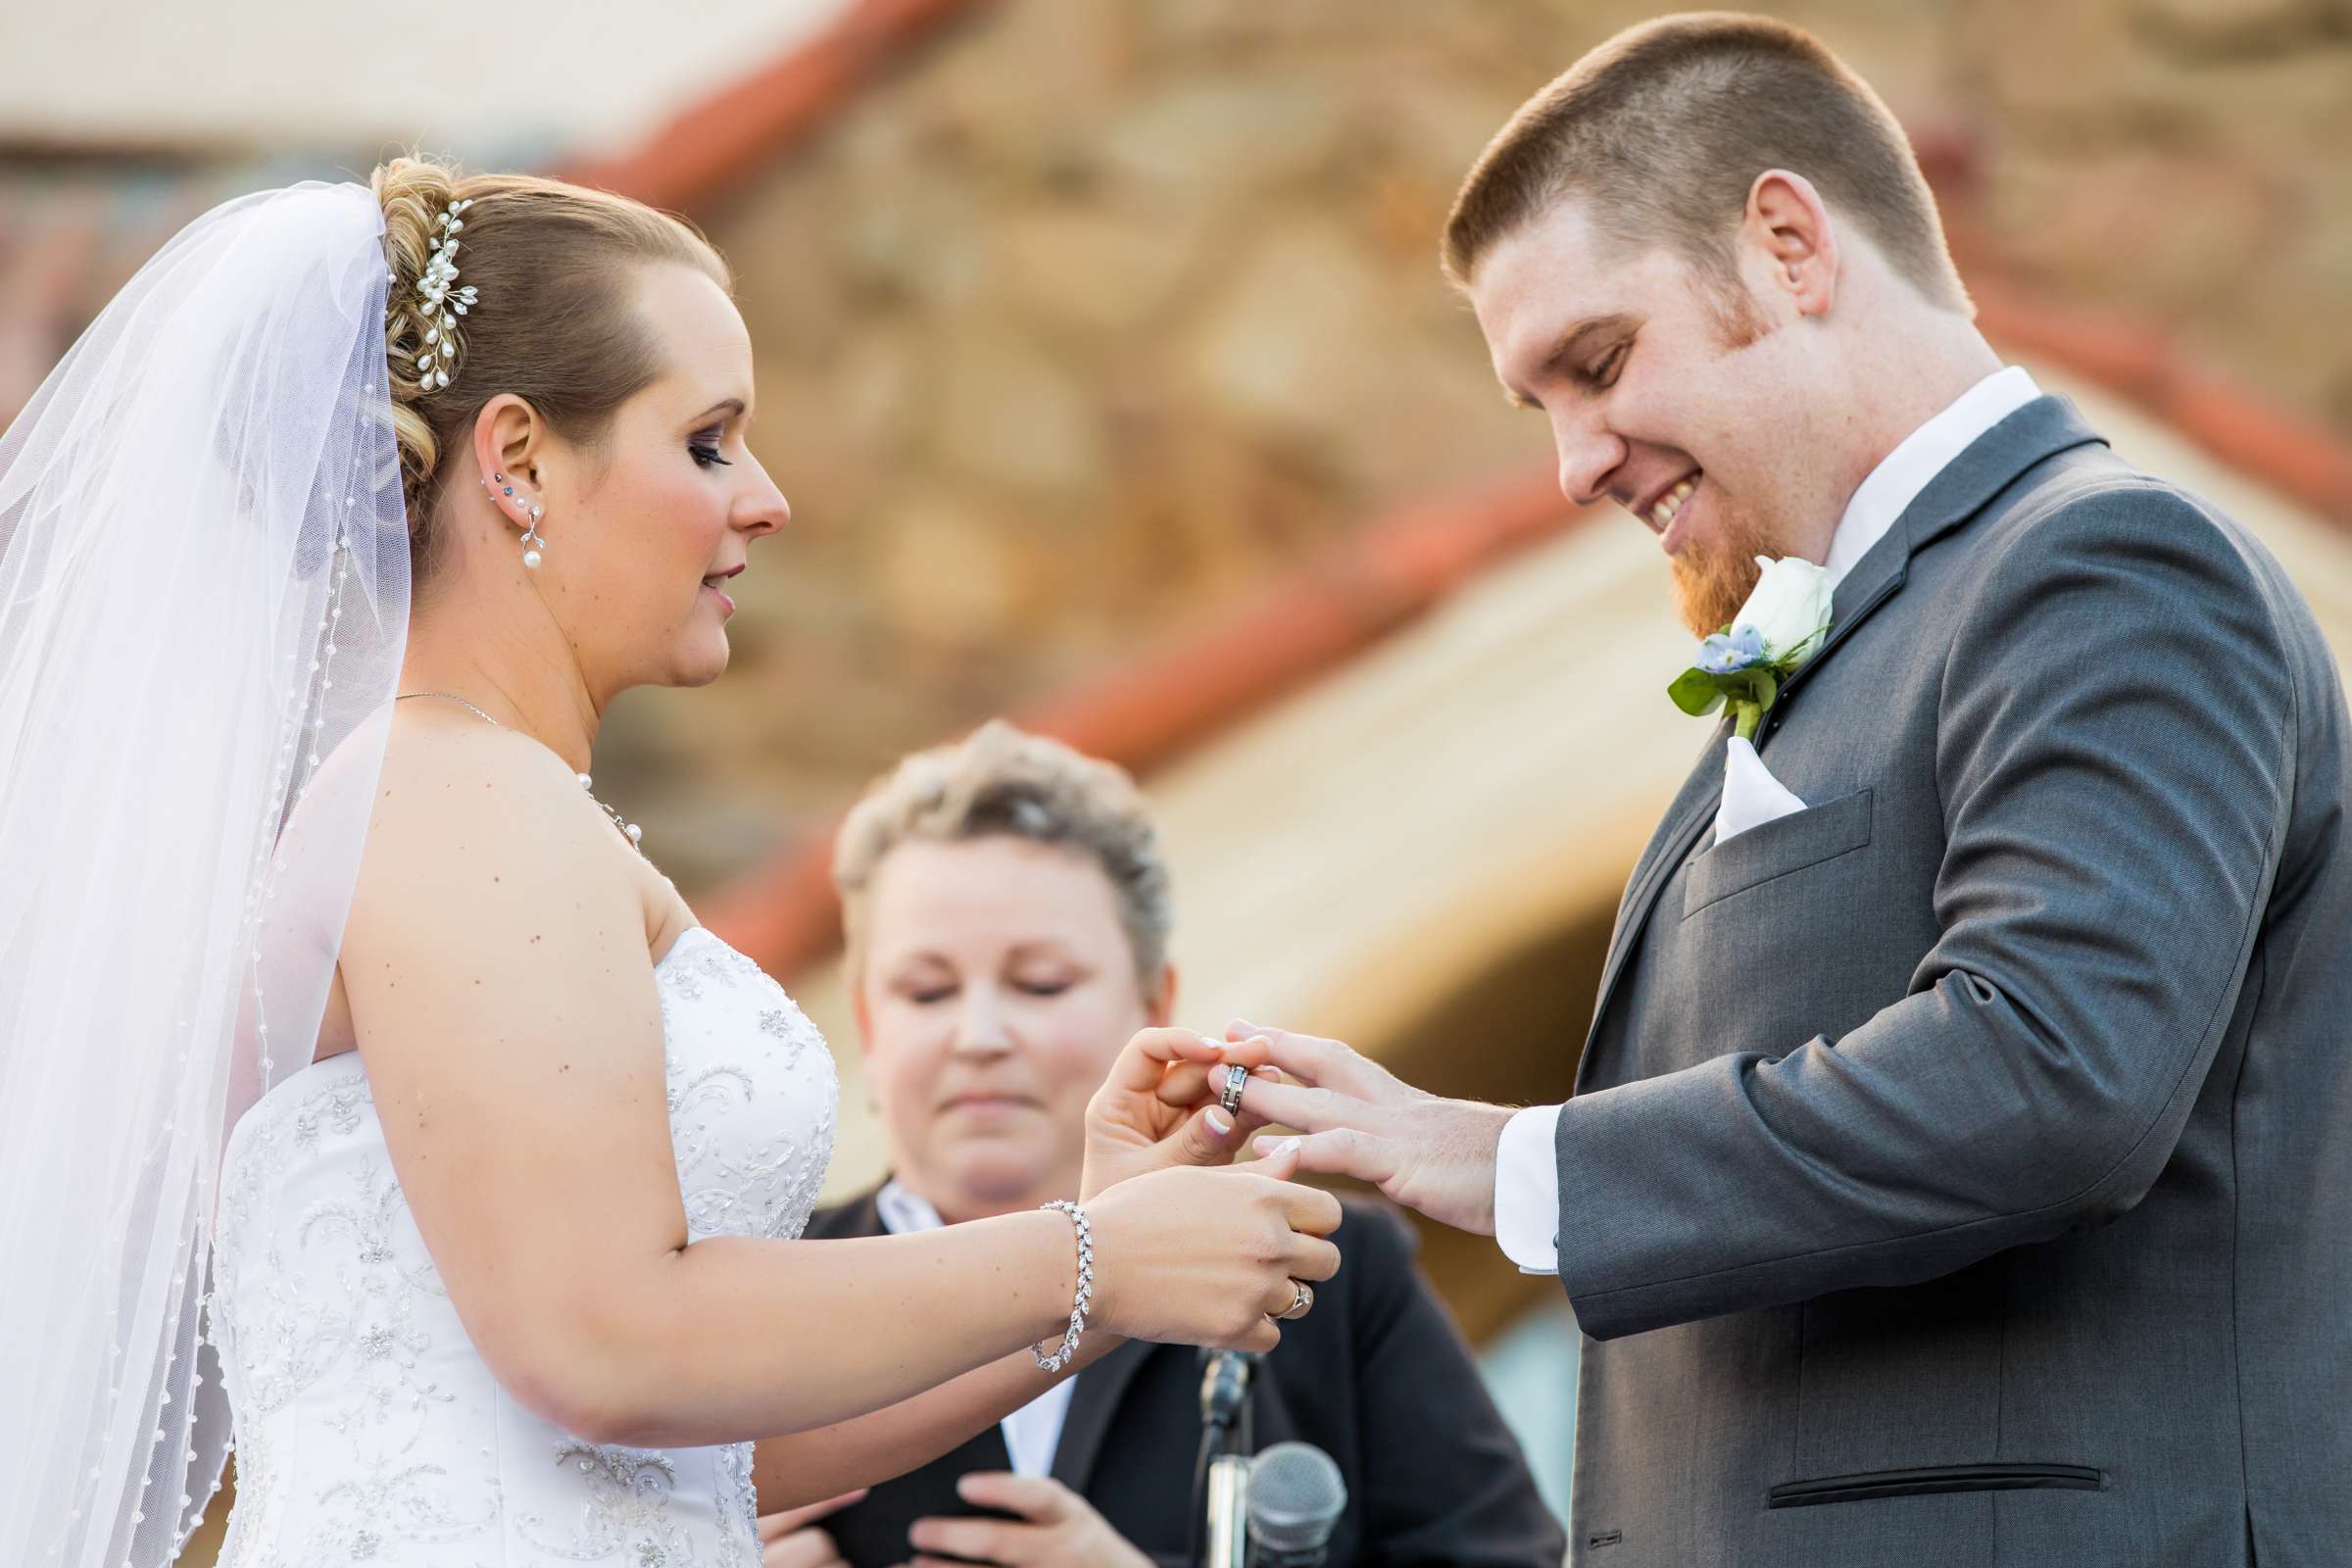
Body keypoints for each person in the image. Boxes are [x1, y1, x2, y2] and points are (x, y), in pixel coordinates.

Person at [0, 157, 1336, 1568]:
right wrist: (1088, 1255)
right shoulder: (461, 799)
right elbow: (608, 1342)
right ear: (516, 463)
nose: (763, 501)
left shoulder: (475, 800)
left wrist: (1101, 1275)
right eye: (706, 442)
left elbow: (703, 1453)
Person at [1224, 15, 2352, 1566]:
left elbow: (2055, 1075)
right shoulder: (1870, 621)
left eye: (1598, 363)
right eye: (1538, 404)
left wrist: (1506, 1157)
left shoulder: (2105, 567)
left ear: (1787, 245)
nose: (1572, 465)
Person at [754, 721, 1565, 1568]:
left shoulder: (1319, 1265)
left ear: (1154, 1001)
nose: (980, 1035)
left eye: (1041, 983)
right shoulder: (764, 1283)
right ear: (866, 1024)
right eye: (926, 990)